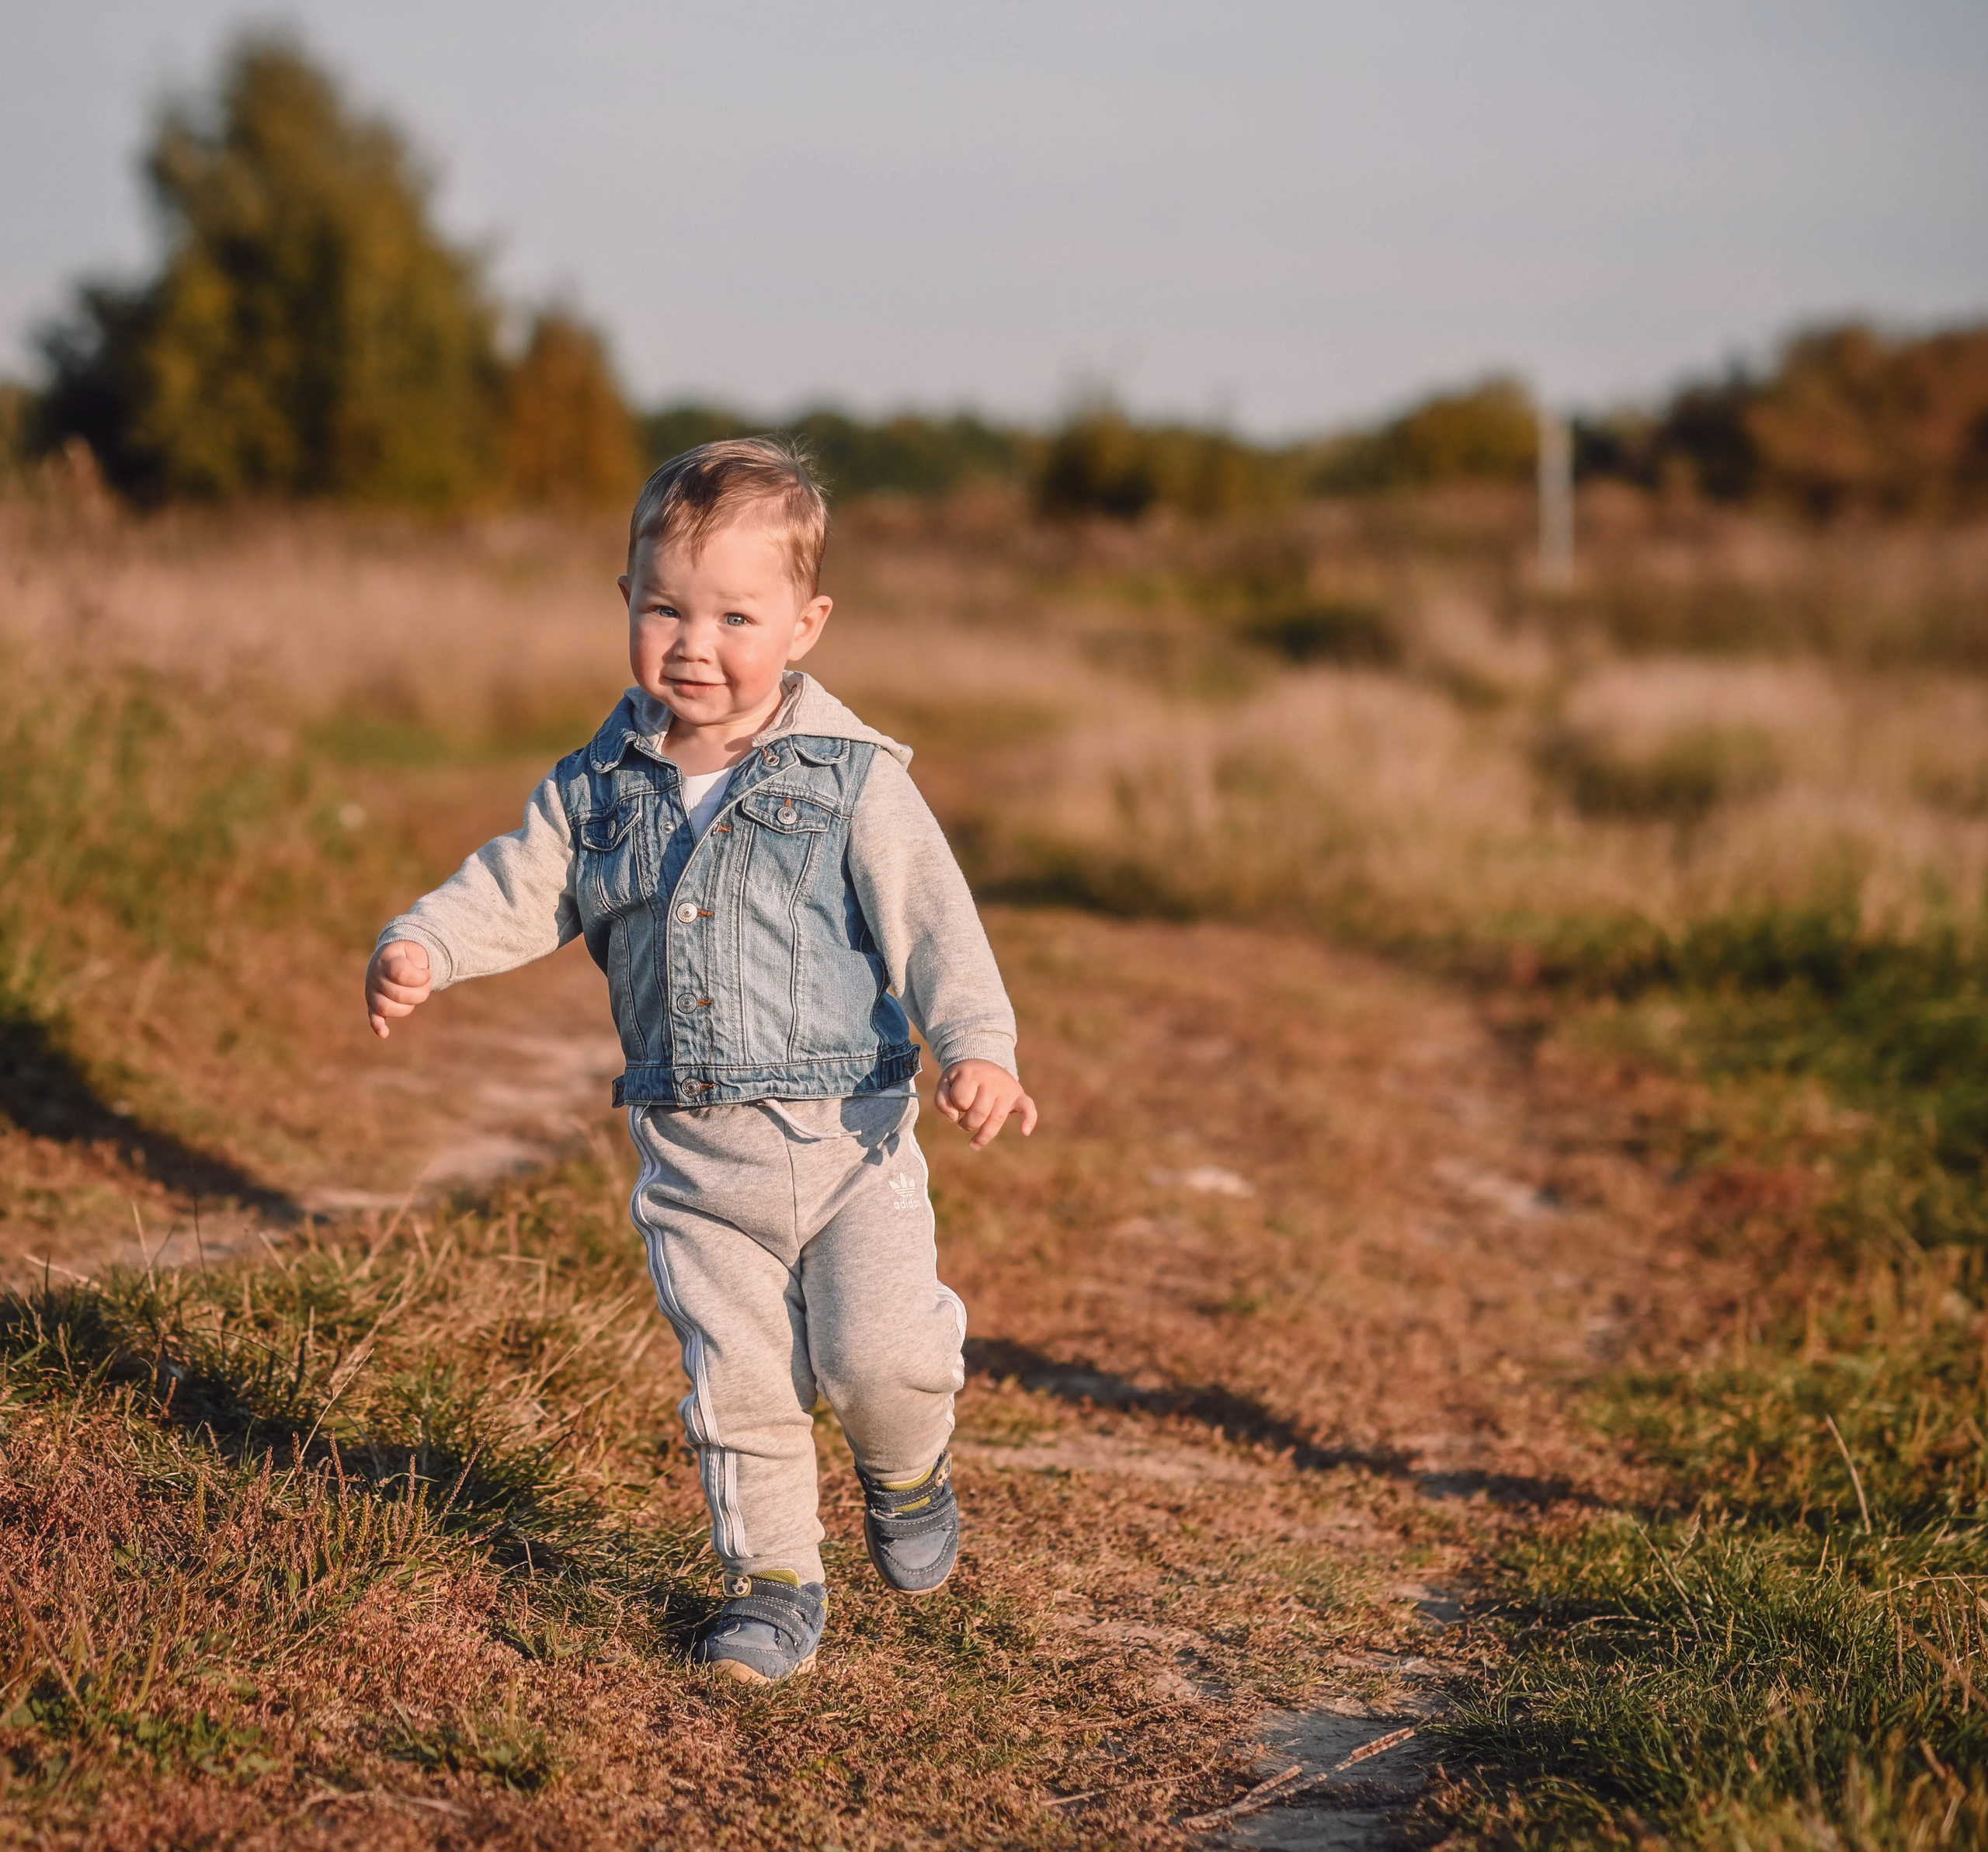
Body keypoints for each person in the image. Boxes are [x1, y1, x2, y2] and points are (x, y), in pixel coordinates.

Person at [363, 439, 1035, 1683]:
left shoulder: (852, 779)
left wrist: (979, 1046)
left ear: (805, 623)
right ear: (625, 601)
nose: (694, 642)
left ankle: (906, 1461)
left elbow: (935, 918)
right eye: (665, 606)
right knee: (741, 1389)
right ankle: (773, 1584)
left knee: (875, 1357)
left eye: (735, 614)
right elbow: (520, 889)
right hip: (692, 1159)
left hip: (850, 1145)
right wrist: (425, 944)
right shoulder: (598, 787)